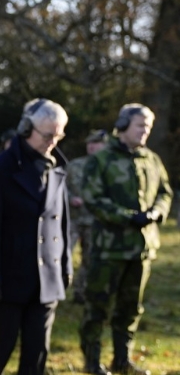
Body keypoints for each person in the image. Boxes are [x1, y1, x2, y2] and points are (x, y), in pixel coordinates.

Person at [0, 98, 72, 375]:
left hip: (47, 282)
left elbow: (63, 224)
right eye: (47, 135)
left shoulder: (58, 167)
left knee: (37, 355)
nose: (52, 143)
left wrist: (66, 268)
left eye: (58, 136)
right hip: (8, 284)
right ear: (26, 129)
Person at [79, 104, 172, 375]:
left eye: (148, 127)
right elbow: (93, 198)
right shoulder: (102, 159)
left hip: (142, 249)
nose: (145, 132)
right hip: (109, 248)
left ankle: (122, 360)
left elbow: (165, 192)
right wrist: (129, 217)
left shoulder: (152, 160)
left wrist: (157, 212)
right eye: (139, 126)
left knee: (131, 308)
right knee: (98, 305)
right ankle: (92, 361)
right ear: (122, 126)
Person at [65, 129, 108, 304]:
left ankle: (80, 292)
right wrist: (70, 198)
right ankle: (57, 289)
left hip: (94, 221)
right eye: (89, 143)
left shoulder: (107, 168)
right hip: (73, 220)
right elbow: (60, 188)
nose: (92, 146)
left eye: (96, 143)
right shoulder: (74, 165)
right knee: (63, 255)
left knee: (89, 259)